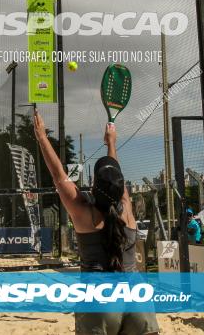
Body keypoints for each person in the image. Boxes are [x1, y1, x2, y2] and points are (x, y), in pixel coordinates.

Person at [33, 111, 159, 335]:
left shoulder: (83, 214)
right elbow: (115, 178)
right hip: (138, 300)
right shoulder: (127, 210)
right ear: (122, 190)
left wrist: (42, 137)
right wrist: (112, 143)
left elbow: (58, 174)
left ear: (93, 186)